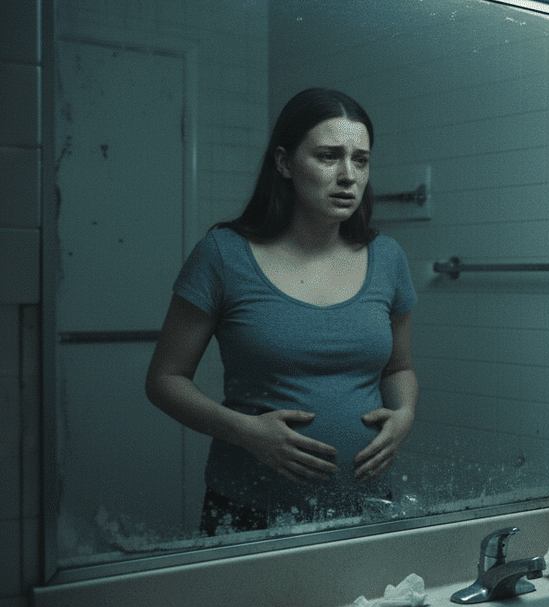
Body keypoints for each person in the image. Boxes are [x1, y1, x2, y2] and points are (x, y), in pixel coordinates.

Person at [146, 88, 418, 536]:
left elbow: (399, 368)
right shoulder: (223, 255)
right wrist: (244, 431)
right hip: (250, 510)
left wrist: (404, 415)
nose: (348, 175)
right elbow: (164, 379)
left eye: (361, 160)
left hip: (367, 506)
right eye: (328, 157)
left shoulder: (387, 258)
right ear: (284, 163)